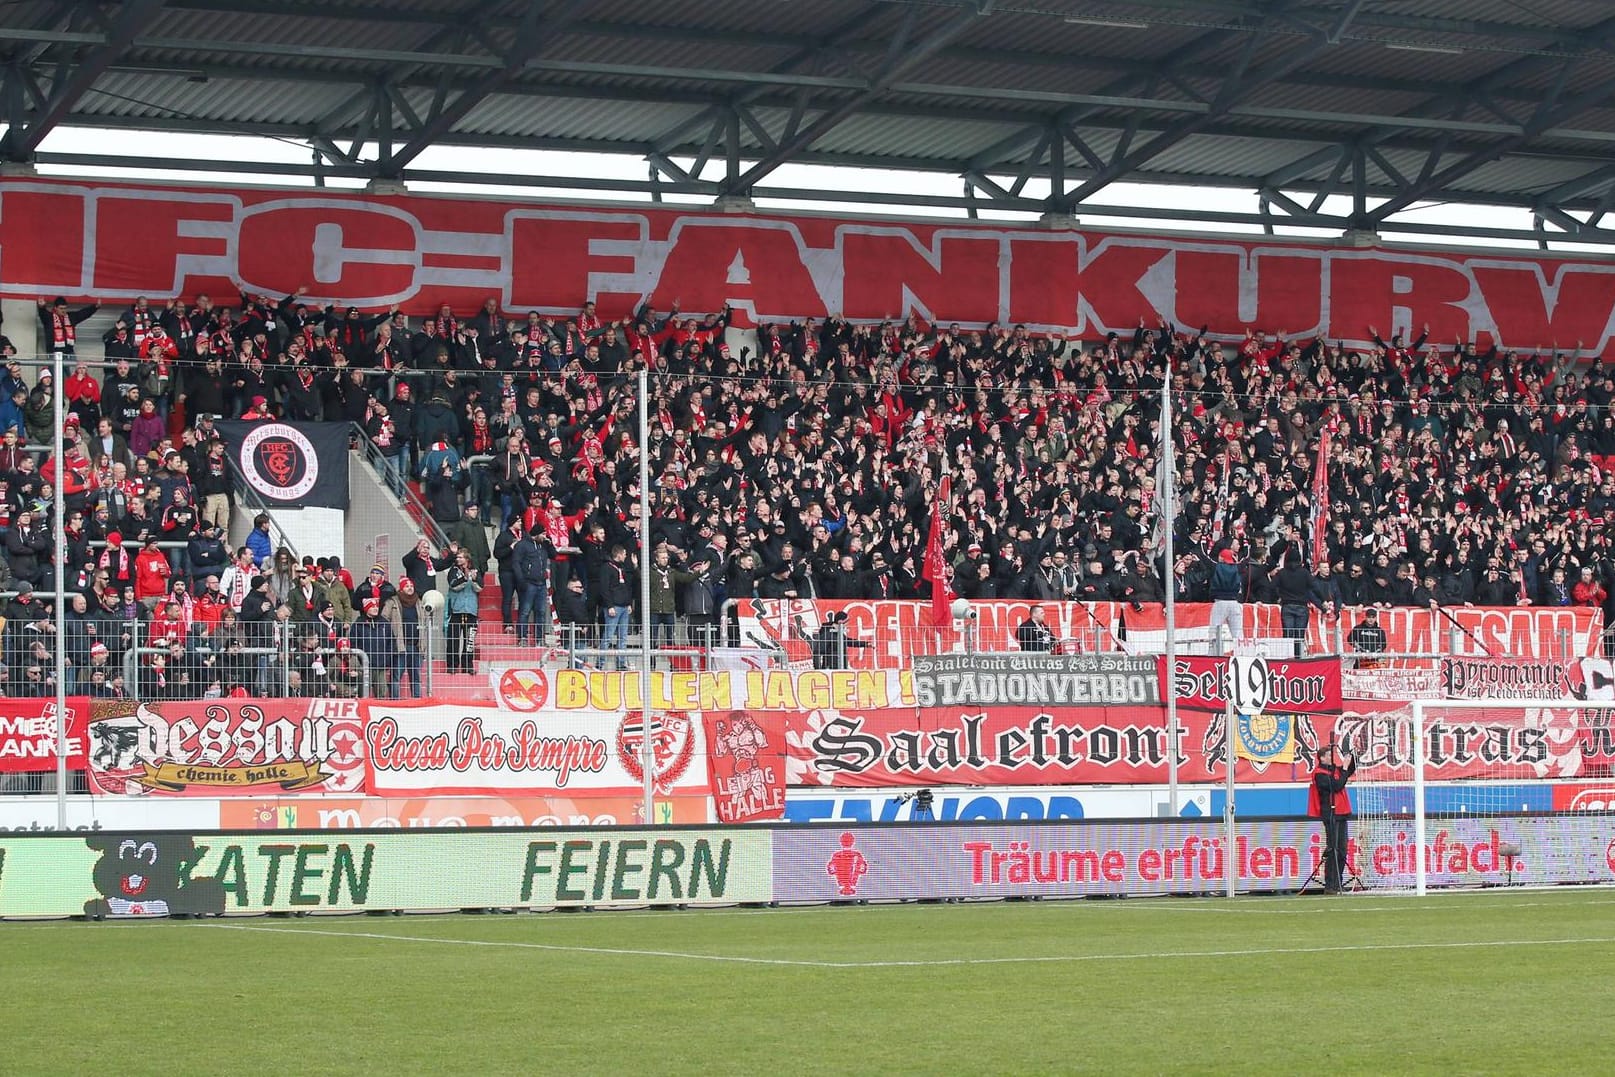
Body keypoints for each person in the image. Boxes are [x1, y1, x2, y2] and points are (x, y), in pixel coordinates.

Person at [1308, 741, 1358, 894]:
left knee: (1342, 849)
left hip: (1342, 813)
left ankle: (1338, 882)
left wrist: (1352, 757)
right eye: (1328, 755)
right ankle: (1330, 884)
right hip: (1331, 814)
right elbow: (1337, 785)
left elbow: (1348, 771)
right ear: (1321, 758)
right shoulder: (1319, 774)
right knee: (1333, 849)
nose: (1331, 757)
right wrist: (1343, 768)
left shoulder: (1334, 770)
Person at [1208, 547, 1245, 649]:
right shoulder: (1237, 568)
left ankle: (1213, 657)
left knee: (1214, 632)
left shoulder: (1216, 567)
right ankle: (1241, 656)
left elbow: (1206, 558)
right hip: (1234, 601)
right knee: (1237, 634)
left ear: (1221, 557)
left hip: (1220, 602)